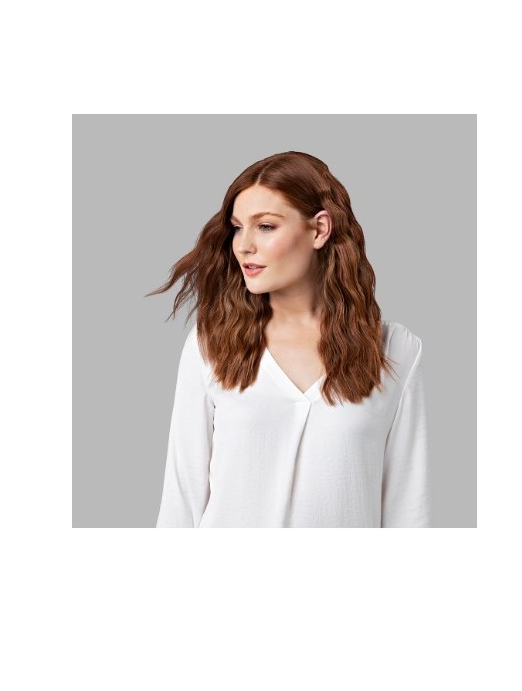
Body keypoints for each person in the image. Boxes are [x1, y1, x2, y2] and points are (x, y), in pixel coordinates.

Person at [146, 151, 429, 527]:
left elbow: (408, 509)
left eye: (265, 226)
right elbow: (180, 502)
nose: (244, 245)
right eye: (237, 227)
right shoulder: (211, 345)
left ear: (319, 230)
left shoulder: (396, 351)